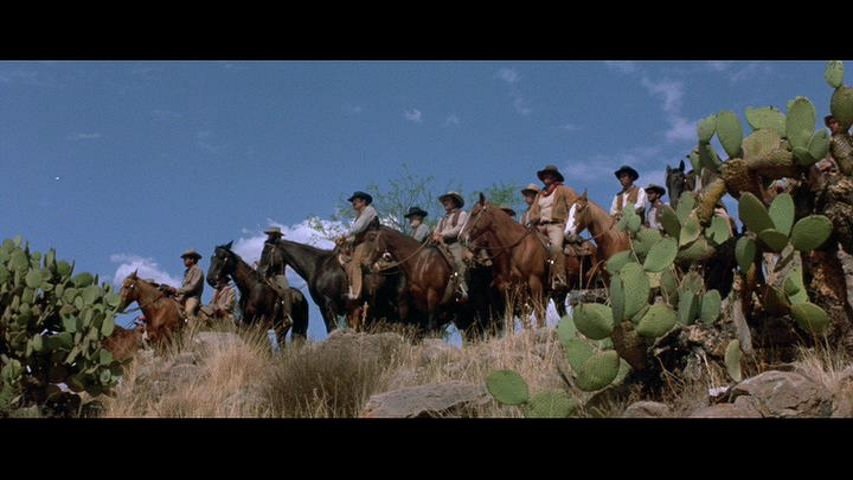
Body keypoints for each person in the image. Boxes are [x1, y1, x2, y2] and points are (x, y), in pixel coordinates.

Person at [527, 165, 578, 289]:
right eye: (545, 175)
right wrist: (534, 218)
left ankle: (559, 277)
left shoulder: (564, 190)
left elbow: (574, 205)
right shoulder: (540, 194)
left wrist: (569, 222)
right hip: (539, 226)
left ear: (555, 177)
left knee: (555, 248)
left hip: (556, 225)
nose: (546, 177)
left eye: (549, 174)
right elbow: (533, 211)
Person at [337, 191, 380, 300]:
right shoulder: (360, 215)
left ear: (363, 201)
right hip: (362, 242)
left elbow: (358, 228)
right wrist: (346, 241)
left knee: (356, 263)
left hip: (370, 242)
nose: (353, 203)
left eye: (355, 201)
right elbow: (357, 235)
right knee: (344, 259)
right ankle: (350, 287)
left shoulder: (369, 211)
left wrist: (344, 236)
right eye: (353, 201)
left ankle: (356, 293)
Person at [432, 191, 469, 301]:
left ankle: (463, 289)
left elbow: (459, 229)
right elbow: (436, 230)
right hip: (440, 245)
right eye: (444, 201)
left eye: (447, 200)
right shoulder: (442, 218)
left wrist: (442, 235)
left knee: (458, 262)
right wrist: (435, 235)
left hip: (455, 244)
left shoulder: (462, 214)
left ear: (454, 202)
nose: (445, 203)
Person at [257, 226, 292, 321]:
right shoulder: (266, 248)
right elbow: (263, 262)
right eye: (269, 235)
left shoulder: (282, 248)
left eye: (271, 235)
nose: (269, 237)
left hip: (279, 275)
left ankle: (287, 315)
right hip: (265, 274)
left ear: (276, 236)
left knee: (286, 291)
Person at [161, 249, 205, 324]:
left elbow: (192, 286)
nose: (184, 261)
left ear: (192, 259)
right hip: (183, 297)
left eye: (185, 259)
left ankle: (193, 329)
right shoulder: (187, 272)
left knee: (188, 312)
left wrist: (177, 290)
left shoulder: (198, 270)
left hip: (192, 297)